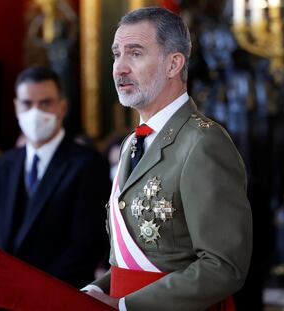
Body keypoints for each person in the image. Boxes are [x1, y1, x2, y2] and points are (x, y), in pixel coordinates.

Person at [83, 7, 252, 311]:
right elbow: (133, 260)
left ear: (174, 63)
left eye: (135, 54)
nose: (119, 68)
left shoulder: (203, 143)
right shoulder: (133, 142)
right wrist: (95, 290)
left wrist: (125, 306)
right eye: (116, 54)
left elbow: (223, 265)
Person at [0, 66, 110, 288]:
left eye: (45, 103)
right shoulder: (1, 165)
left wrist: (34, 290)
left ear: (62, 107)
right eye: (27, 104)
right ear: (16, 107)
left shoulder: (87, 163)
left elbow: (85, 245)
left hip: (58, 295)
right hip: (2, 294)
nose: (35, 112)